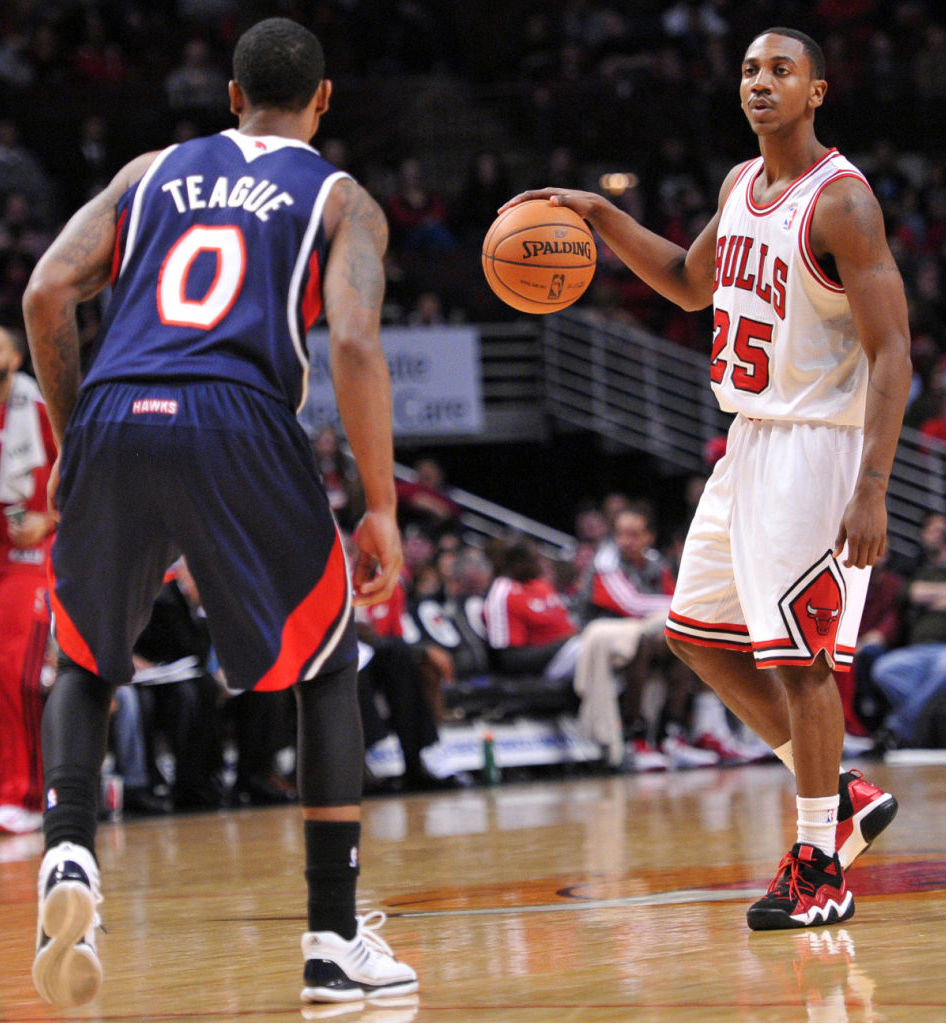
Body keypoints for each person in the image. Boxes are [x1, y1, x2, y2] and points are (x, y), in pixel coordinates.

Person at [22, 17, 416, 1007]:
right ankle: (331, 936)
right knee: (326, 666)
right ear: (322, 102)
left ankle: (68, 853)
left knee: (86, 658)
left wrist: (78, 443)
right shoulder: (341, 197)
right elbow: (358, 348)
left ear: (230, 96)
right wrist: (381, 504)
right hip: (236, 415)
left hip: (114, 406)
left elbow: (44, 292)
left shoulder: (149, 171)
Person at [501, 26, 912, 930]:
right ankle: (839, 799)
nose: (761, 83)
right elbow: (690, 288)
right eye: (750, 71)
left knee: (804, 666)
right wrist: (603, 217)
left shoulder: (841, 202)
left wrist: (873, 484)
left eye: (781, 72)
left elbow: (893, 355)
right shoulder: (739, 185)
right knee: (694, 635)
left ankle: (820, 867)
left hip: (815, 447)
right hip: (749, 443)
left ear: (817, 91)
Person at [0, 325, 56, 835]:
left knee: (19, 676)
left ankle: (30, 796)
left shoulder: (40, 411)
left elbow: (83, 479)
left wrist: (51, 519)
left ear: (15, 357)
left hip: (30, 556)